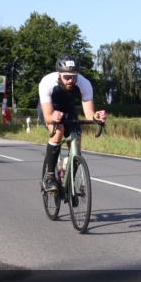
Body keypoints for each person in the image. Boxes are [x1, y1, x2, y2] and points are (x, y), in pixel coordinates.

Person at [39, 56, 106, 192]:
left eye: (74, 77)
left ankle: (69, 181)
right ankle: (50, 177)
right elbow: (48, 116)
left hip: (69, 110)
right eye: (67, 77)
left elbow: (89, 113)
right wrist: (53, 117)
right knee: (58, 131)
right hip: (50, 109)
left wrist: (96, 117)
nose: (70, 80)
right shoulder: (47, 82)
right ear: (59, 74)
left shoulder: (84, 83)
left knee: (77, 143)